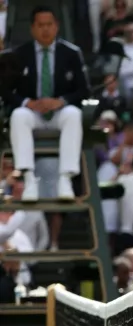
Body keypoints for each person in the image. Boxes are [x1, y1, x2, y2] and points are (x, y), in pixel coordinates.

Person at [3, 7, 90, 201]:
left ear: (57, 26)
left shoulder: (71, 53)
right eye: (40, 25)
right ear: (32, 28)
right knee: (18, 116)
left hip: (59, 112)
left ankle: (65, 178)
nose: (45, 29)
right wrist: (27, 102)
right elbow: (5, 90)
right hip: (32, 113)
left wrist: (60, 101)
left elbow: (84, 90)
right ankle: (28, 179)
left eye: (49, 24)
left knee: (73, 114)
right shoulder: (19, 54)